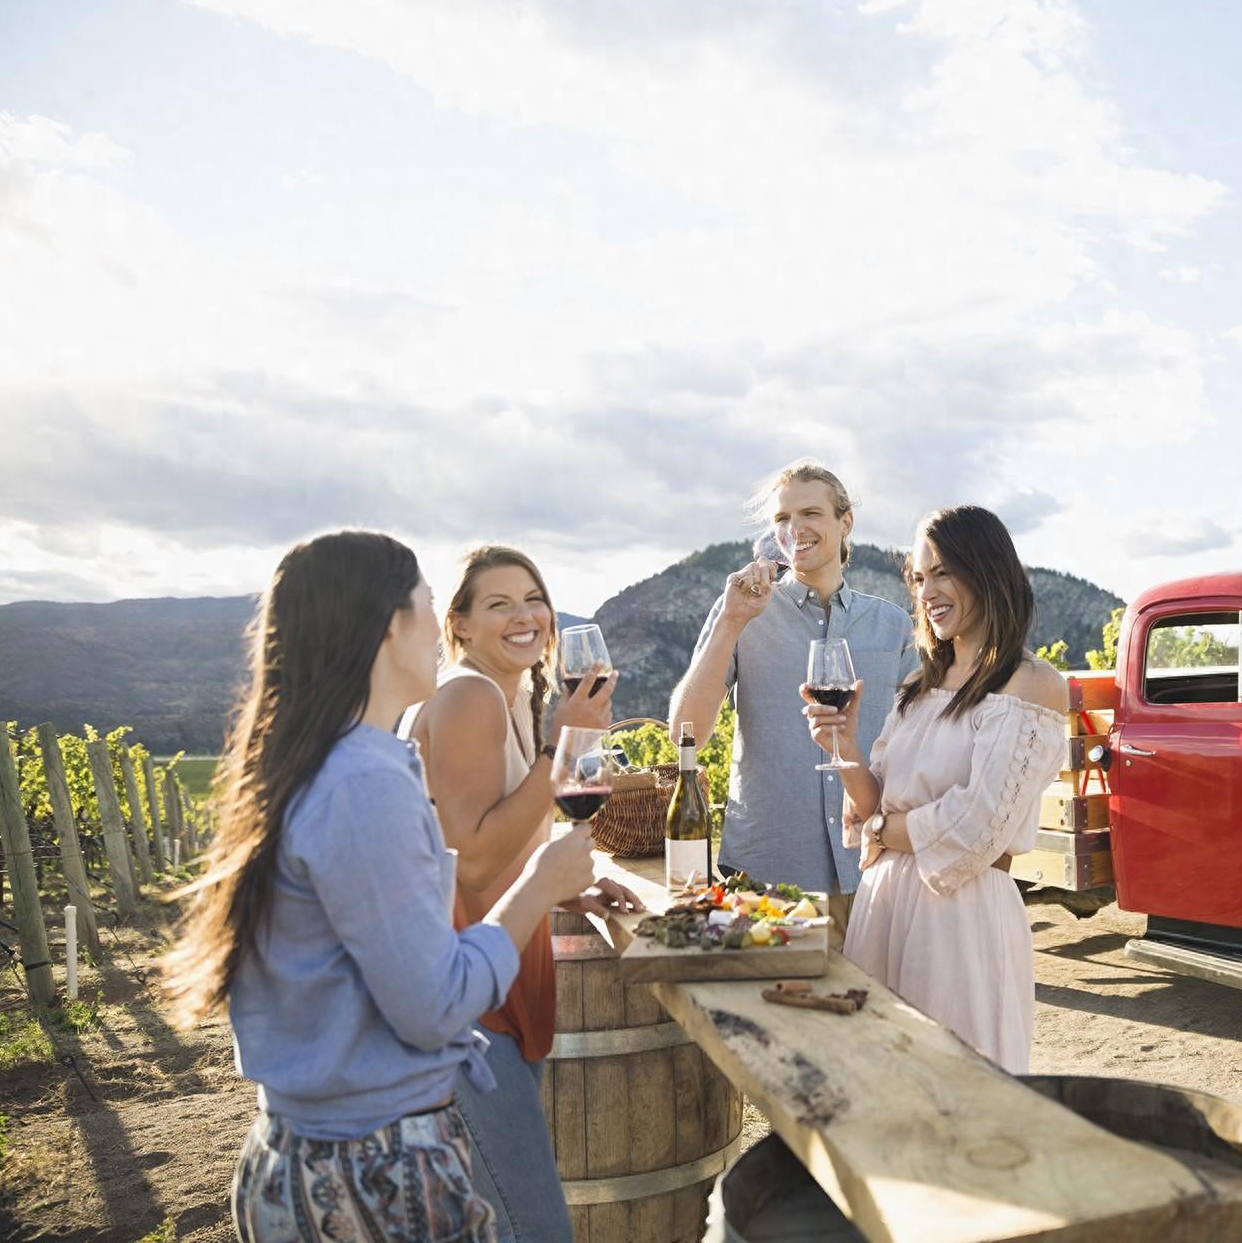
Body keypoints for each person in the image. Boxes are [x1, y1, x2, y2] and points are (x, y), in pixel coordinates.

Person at [161, 530, 637, 1242]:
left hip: (321, 1156)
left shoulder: (329, 762)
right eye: (428, 603)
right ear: (393, 625)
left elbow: (403, 903)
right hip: (369, 1171)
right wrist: (539, 884)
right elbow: (436, 1004)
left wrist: (555, 888)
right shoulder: (364, 780)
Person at [802, 506, 1068, 1070]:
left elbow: (976, 832)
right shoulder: (916, 686)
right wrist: (845, 748)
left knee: (957, 1093)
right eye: (919, 579)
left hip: (960, 917)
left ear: (987, 570)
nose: (928, 592)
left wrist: (878, 829)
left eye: (943, 572)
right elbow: (874, 801)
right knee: (881, 1087)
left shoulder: (1033, 685)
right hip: (882, 907)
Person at [406, 545, 617, 1243]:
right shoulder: (469, 695)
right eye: (499, 604)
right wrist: (564, 750)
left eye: (533, 598)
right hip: (475, 1011)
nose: (526, 615)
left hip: (494, 991)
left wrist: (567, 892)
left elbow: (495, 850)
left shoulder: (502, 696)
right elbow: (470, 861)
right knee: (536, 1230)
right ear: (459, 624)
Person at [671, 460, 914, 938]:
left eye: (810, 513)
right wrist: (731, 622)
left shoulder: (893, 626)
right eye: (782, 519)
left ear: (845, 523)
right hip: (767, 876)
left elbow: (919, 741)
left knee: (872, 1012)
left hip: (870, 875)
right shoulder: (742, 612)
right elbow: (686, 736)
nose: (794, 529)